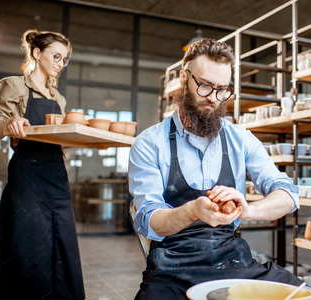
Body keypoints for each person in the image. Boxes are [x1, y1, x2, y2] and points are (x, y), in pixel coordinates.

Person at [129, 38, 301, 299]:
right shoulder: (149, 143)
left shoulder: (240, 139)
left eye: (222, 89)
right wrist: (191, 211)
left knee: (299, 293)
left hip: (233, 263)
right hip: (172, 269)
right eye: (205, 86)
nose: (213, 98)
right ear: (183, 79)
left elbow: (288, 194)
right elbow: (148, 220)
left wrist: (248, 209)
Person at [0, 29, 85, 300]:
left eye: (64, 59)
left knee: (61, 245)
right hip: (28, 177)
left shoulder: (59, 99)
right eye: (56, 55)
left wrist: (78, 138)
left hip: (57, 178)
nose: (60, 63)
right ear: (36, 53)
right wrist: (9, 124)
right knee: (27, 247)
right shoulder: (14, 86)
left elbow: (57, 142)